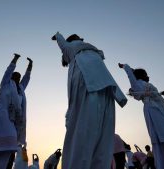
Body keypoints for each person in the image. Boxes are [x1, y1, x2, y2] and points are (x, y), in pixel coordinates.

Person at [52, 32, 127, 169]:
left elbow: (61, 41)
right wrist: (57, 36)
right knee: (95, 133)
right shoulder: (79, 49)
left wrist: (57, 36)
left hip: (96, 84)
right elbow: (62, 42)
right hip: (98, 84)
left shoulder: (78, 49)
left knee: (89, 130)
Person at [119, 63, 164, 169]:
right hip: (154, 112)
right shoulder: (139, 84)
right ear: (140, 77)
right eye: (145, 74)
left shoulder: (146, 85)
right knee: (162, 141)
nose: (148, 76)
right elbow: (133, 81)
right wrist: (126, 68)